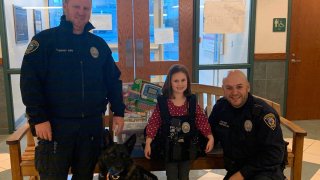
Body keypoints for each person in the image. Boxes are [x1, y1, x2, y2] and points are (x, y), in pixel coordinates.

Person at [20, 0, 125, 179]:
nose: (81, 12)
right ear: (65, 6)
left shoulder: (98, 45)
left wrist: (118, 112)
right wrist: (39, 119)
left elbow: (113, 81)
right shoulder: (45, 41)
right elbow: (30, 82)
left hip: (90, 128)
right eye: (76, 7)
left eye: (86, 8)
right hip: (55, 127)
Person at [208, 70, 286, 180]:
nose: (234, 92)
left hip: (265, 170)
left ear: (248, 87)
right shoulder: (221, 108)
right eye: (229, 88)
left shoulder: (263, 113)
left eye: (239, 87)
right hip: (237, 168)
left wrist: (242, 174)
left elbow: (274, 154)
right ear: (223, 89)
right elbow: (210, 133)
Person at [144, 64, 214, 180]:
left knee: (184, 175)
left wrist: (210, 136)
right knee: (171, 176)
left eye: (183, 80)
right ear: (170, 82)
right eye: (176, 81)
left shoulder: (191, 102)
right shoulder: (163, 102)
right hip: (168, 148)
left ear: (187, 81)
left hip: (187, 147)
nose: (180, 84)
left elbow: (201, 119)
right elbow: (154, 122)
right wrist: (148, 142)